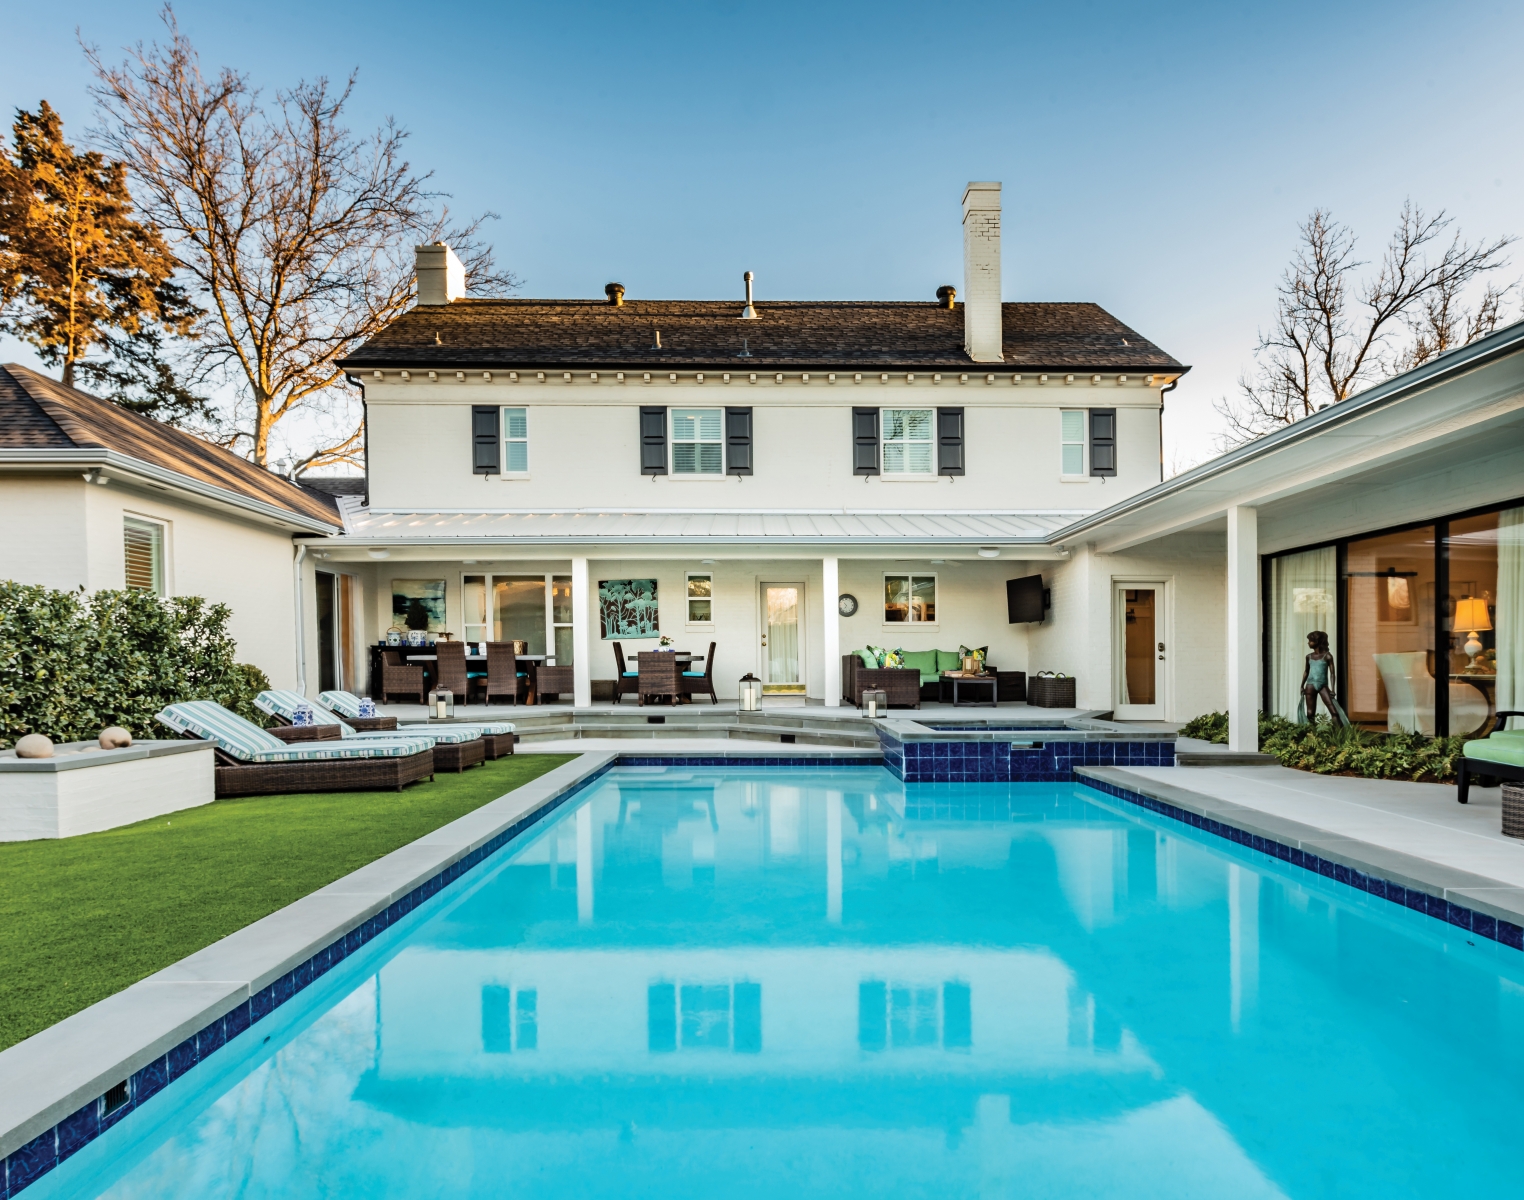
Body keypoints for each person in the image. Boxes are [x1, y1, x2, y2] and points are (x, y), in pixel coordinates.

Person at [1299, 630, 1348, 726]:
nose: (1308, 643)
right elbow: (1306, 671)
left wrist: (1333, 689)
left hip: (1323, 686)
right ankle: (1312, 735)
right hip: (1310, 685)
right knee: (1310, 713)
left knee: (1334, 712)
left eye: (1310, 640)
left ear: (1317, 642)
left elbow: (1332, 673)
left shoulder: (1327, 656)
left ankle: (1339, 735)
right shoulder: (1309, 657)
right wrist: (1302, 685)